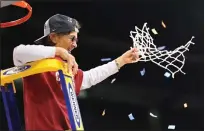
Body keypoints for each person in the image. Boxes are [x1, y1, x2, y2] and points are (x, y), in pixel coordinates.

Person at [13, 14, 139, 130]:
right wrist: (58, 51)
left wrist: (121, 61)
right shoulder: (35, 60)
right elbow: (17, 53)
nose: (75, 44)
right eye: (72, 38)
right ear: (54, 37)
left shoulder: (66, 66)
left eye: (76, 40)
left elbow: (89, 78)